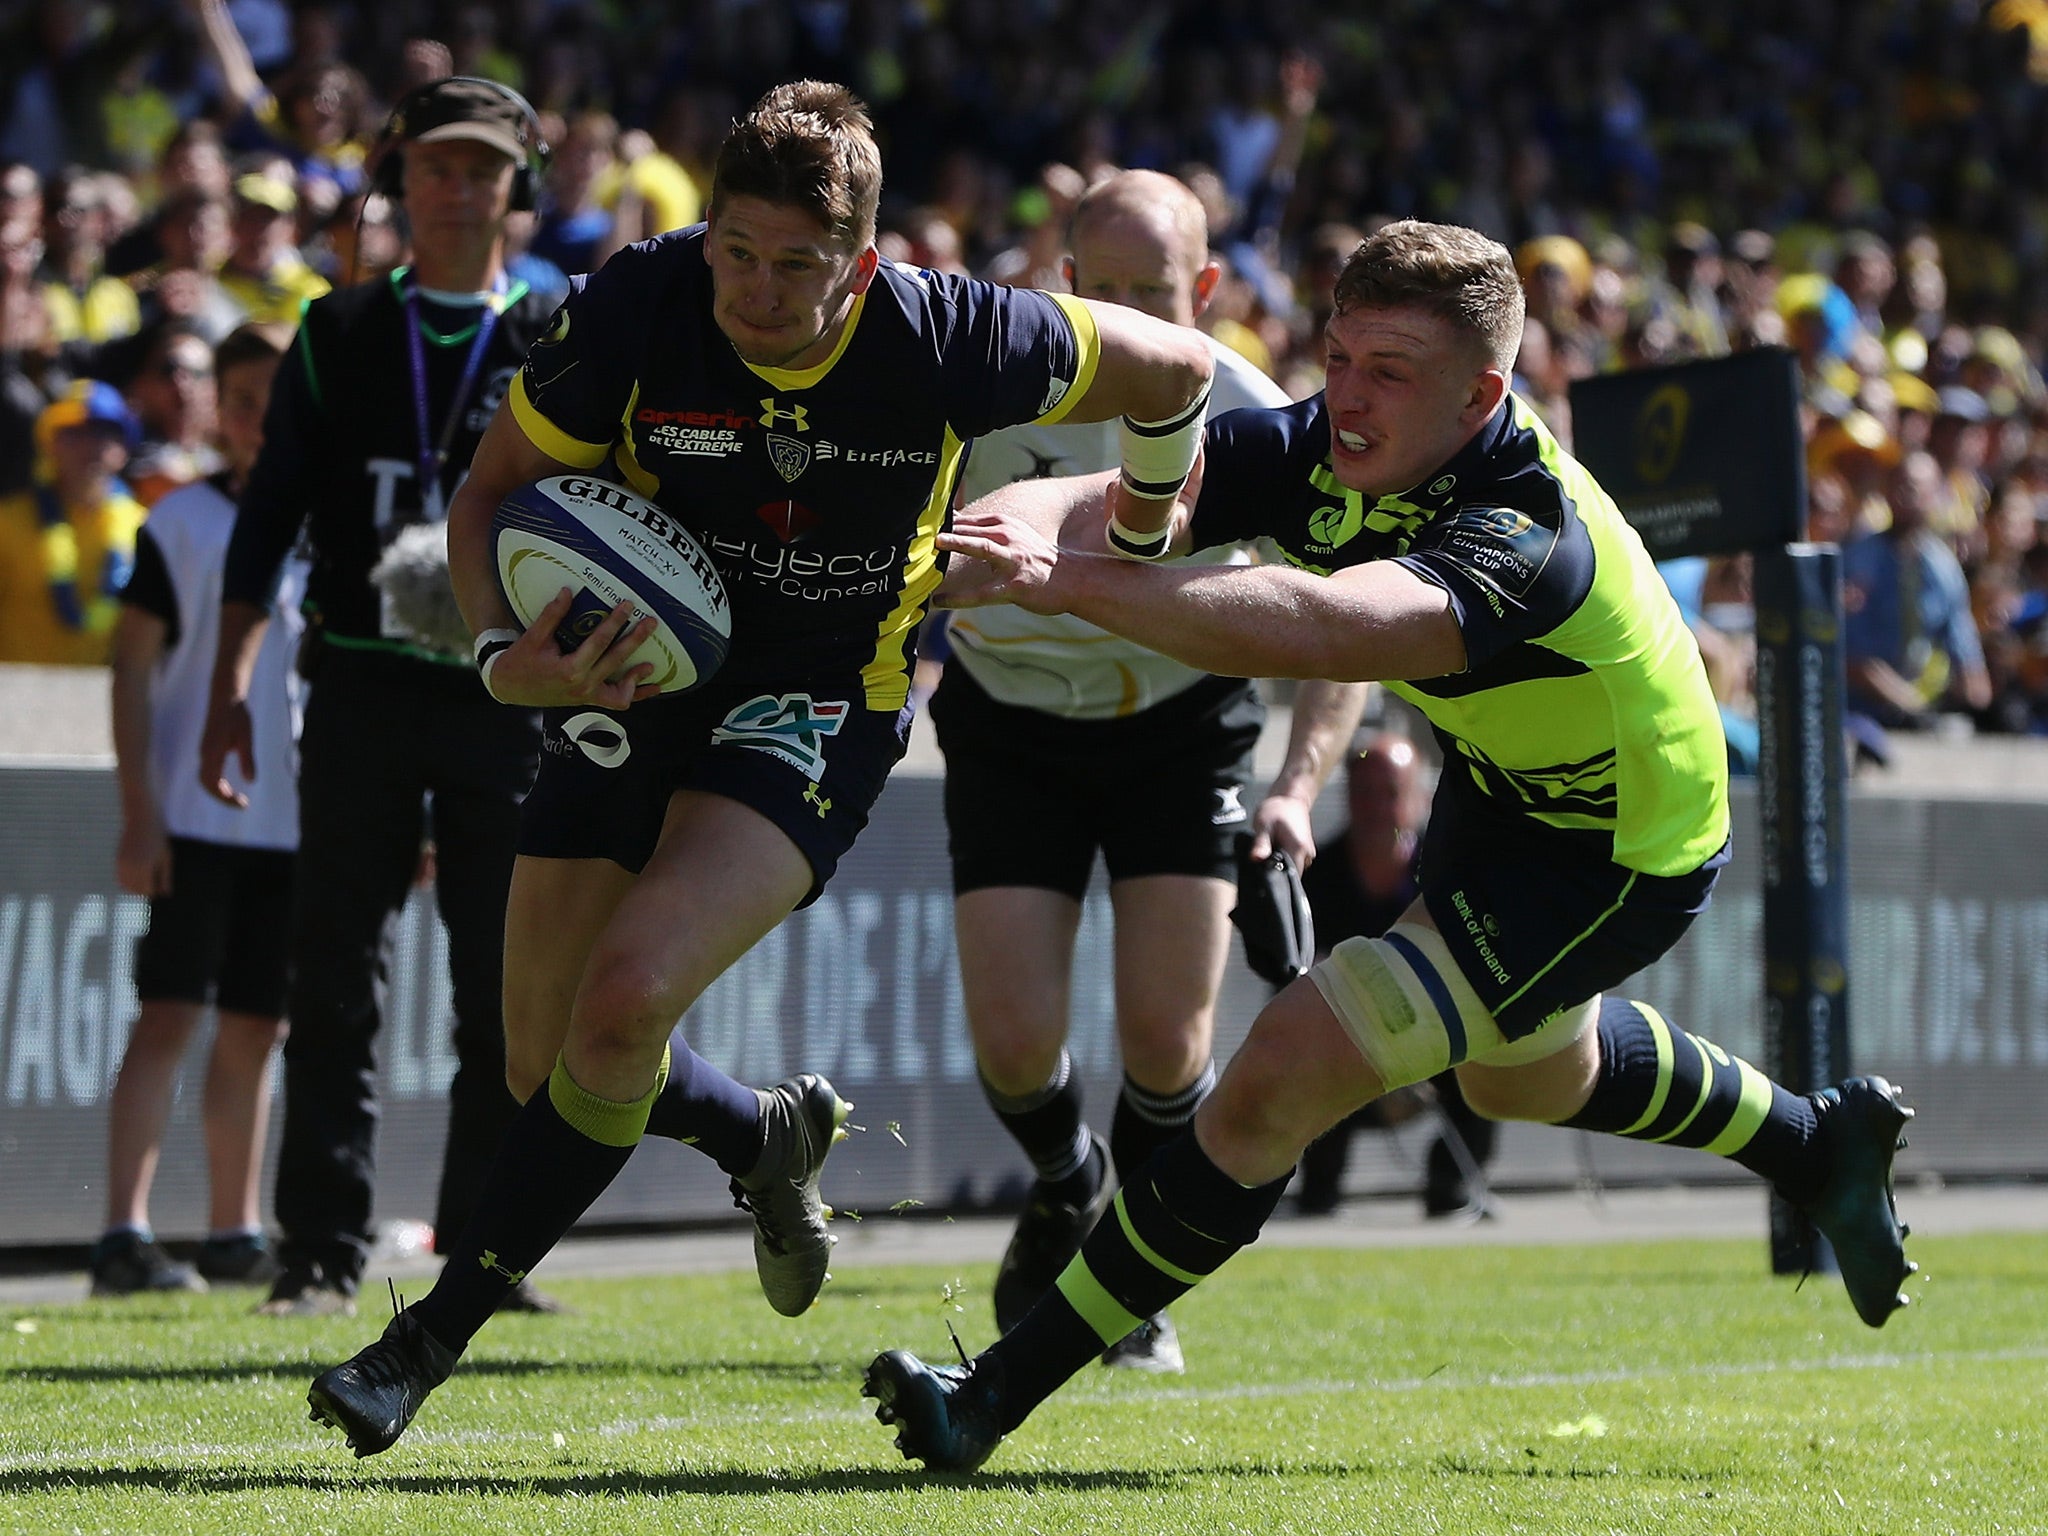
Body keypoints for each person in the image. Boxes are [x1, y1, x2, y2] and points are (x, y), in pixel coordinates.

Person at [863, 219, 1918, 1471]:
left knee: (1276, 1076)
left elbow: (1319, 628)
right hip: (1506, 791)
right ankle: (1814, 1145)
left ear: (1483, 393)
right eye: (1341, 354)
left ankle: (988, 1395)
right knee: (1518, 1076)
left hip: (1618, 843)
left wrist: (1064, 581)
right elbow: (1123, 493)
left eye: (1389, 371)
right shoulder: (1332, 436)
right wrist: (1003, 528)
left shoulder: (1524, 530)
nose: (1347, 400)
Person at [300, 78, 1217, 1459]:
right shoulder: (634, 305)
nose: (758, 291)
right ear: (707, 229)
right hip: (633, 678)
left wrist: (1140, 519)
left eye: (799, 266)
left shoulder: (955, 330)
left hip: (814, 707)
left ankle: (417, 1347)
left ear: (861, 261)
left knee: (618, 1011)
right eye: (736, 250)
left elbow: (1181, 374)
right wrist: (505, 658)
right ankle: (757, 1134)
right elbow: (485, 496)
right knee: (546, 1057)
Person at [936, 167, 1363, 1373]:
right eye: (1101, 289)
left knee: (1170, 1044)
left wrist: (1292, 789)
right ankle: (1070, 1187)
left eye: (1153, 291)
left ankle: (1123, 1271)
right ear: (1064, 286)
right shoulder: (981, 387)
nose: (1124, 314)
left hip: (1181, 728)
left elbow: (1343, 619)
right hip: (1008, 720)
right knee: (1014, 1047)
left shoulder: (1254, 412)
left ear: (1208, 289)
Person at [200, 76, 563, 1318]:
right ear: (397, 182)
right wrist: (229, 690)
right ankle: (318, 1247)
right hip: (354, 682)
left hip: (504, 695)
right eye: (434, 167)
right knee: (332, 976)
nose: (457, 190)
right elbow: (267, 523)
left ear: (521, 186)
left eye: (482, 168)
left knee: (503, 987)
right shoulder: (335, 331)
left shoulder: (557, 336)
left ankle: (485, 1248)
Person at [93, 323, 300, 1295]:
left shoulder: (328, 526)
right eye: (244, 400)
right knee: (168, 1013)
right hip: (191, 816)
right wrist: (141, 809)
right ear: (217, 407)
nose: (260, 421)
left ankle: (232, 1229)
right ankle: (122, 1236)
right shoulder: (180, 522)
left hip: (294, 825)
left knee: (260, 1027)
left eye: (277, 399)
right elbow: (131, 670)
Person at [1293, 733, 1499, 1220]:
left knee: (1490, 1062)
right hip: (1344, 1035)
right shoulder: (1317, 877)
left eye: (1389, 792)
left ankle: (1452, 1187)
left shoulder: (1447, 872)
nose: (1375, 806)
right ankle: (1317, 1191)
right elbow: (1296, 975)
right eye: (1363, 791)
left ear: (1418, 797)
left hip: (1438, 1036)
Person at [0, 380, 146, 665]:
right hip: (16, 699)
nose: (89, 446)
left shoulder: (144, 526)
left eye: (103, 432)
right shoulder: (7, 521)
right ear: (49, 443)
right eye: (73, 433)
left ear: (124, 448)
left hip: (104, 699)